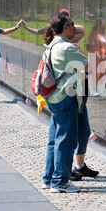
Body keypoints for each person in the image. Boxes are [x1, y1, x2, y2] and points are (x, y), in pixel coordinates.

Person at [42, 12, 91, 193]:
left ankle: (49, 178)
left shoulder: (52, 45)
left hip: (55, 97)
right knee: (66, 140)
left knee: (55, 140)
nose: (74, 27)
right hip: (66, 97)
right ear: (65, 27)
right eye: (71, 24)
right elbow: (87, 66)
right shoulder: (67, 47)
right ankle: (60, 182)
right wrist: (79, 50)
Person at [86, 18, 106, 96]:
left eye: (102, 24)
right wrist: (96, 53)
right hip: (95, 55)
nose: (101, 25)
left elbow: (105, 45)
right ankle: (95, 89)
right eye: (99, 23)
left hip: (103, 56)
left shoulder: (103, 34)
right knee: (95, 73)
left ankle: (97, 86)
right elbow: (91, 44)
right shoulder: (93, 33)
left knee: (104, 72)